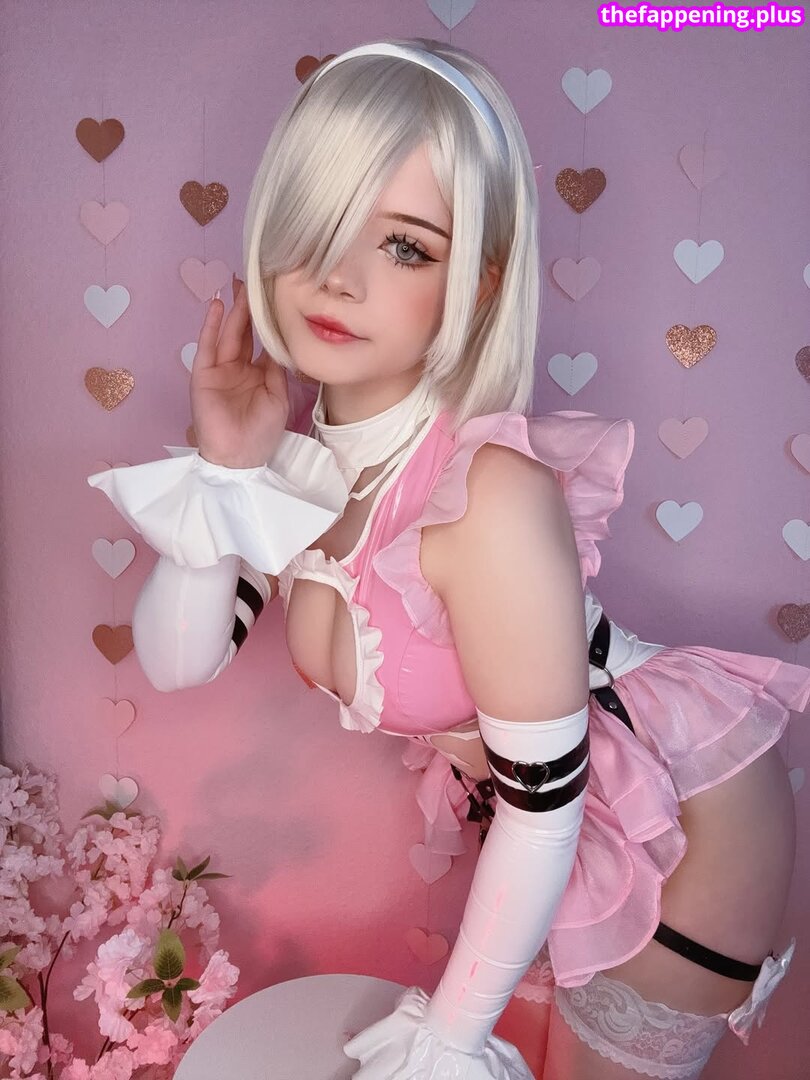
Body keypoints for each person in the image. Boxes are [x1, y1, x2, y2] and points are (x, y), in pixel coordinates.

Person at [87, 38, 810, 1080]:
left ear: (478, 283)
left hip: (677, 823)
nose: (337, 276)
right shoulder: (294, 458)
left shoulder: (490, 498)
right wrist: (226, 465)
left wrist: (450, 1040)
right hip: (541, 828)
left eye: (405, 247)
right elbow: (178, 660)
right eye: (319, 221)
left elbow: (545, 806)